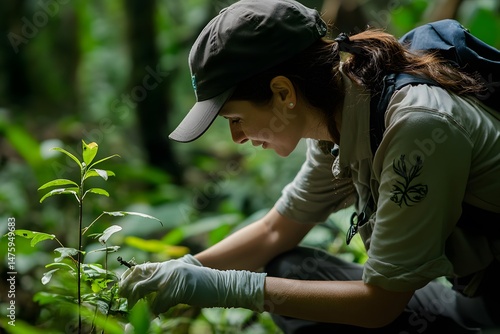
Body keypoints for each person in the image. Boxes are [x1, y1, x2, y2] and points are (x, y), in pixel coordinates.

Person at [118, 0, 500, 332]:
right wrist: (178, 273)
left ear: (283, 93)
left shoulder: (416, 125)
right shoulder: (339, 119)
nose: (236, 138)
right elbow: (274, 231)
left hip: (486, 306)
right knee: (288, 266)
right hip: (464, 300)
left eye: (235, 118)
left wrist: (225, 289)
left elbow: (380, 305)